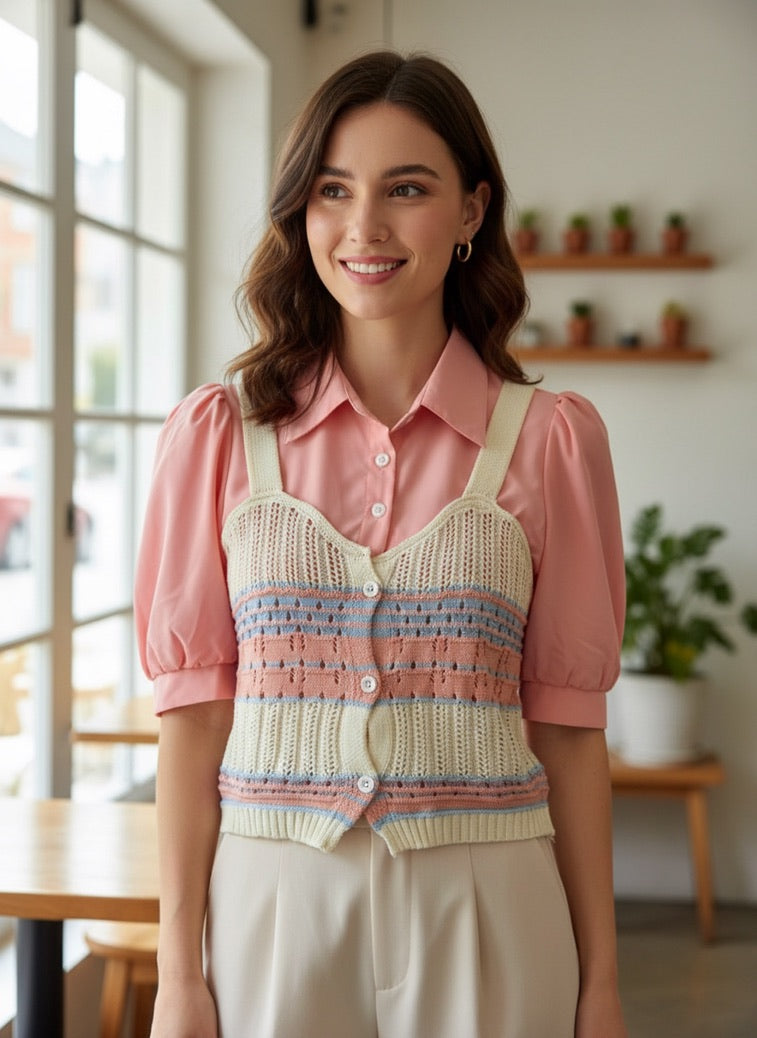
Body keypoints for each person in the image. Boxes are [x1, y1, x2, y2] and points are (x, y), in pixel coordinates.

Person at [136, 50, 628, 1038]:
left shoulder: (550, 440)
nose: (363, 228)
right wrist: (178, 973)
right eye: (331, 190)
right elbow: (192, 726)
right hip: (273, 902)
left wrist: (601, 985)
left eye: (407, 189)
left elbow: (570, 737)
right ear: (300, 212)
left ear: (472, 211)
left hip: (490, 902)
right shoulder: (218, 437)